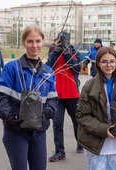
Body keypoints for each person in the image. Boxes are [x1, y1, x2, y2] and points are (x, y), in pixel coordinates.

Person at [0, 25, 58, 170]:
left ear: (43, 42)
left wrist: (47, 113)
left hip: (38, 132)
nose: (34, 46)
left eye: (38, 41)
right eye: (30, 41)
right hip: (16, 132)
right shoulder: (12, 68)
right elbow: (1, 97)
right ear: (23, 42)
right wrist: (10, 118)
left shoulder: (48, 72)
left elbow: (53, 99)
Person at [76, 47, 116, 170]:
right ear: (98, 63)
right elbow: (82, 115)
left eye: (112, 61)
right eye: (104, 61)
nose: (108, 65)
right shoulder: (89, 86)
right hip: (96, 144)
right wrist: (104, 129)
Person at [46, 32, 83, 162]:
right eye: (59, 41)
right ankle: (59, 151)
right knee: (57, 124)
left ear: (69, 41)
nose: (61, 44)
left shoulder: (75, 53)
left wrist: (67, 53)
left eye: (64, 41)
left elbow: (77, 69)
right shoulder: (54, 54)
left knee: (77, 122)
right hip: (57, 96)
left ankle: (81, 143)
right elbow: (47, 69)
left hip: (73, 95)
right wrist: (56, 52)